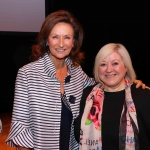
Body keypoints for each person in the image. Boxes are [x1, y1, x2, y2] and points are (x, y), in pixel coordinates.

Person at [6, 10, 146, 150]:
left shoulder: (77, 72)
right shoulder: (27, 73)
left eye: (67, 37)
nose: (61, 44)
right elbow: (20, 125)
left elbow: (104, 81)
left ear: (73, 42)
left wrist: (131, 82)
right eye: (55, 37)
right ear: (46, 40)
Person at [74, 43, 150, 150]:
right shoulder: (87, 96)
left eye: (115, 63)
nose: (109, 70)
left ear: (126, 66)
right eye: (103, 64)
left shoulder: (143, 95)